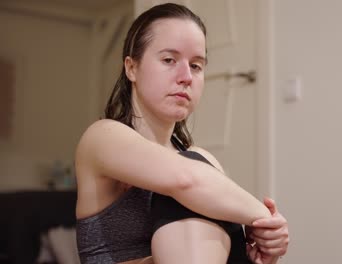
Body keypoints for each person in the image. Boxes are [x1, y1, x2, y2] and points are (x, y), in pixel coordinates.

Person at [75, 3, 289, 264]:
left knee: (201, 168)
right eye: (169, 60)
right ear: (131, 68)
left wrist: (264, 248)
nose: (186, 76)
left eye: (197, 66)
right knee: (195, 179)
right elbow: (185, 180)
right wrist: (265, 219)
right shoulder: (102, 137)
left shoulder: (203, 163)